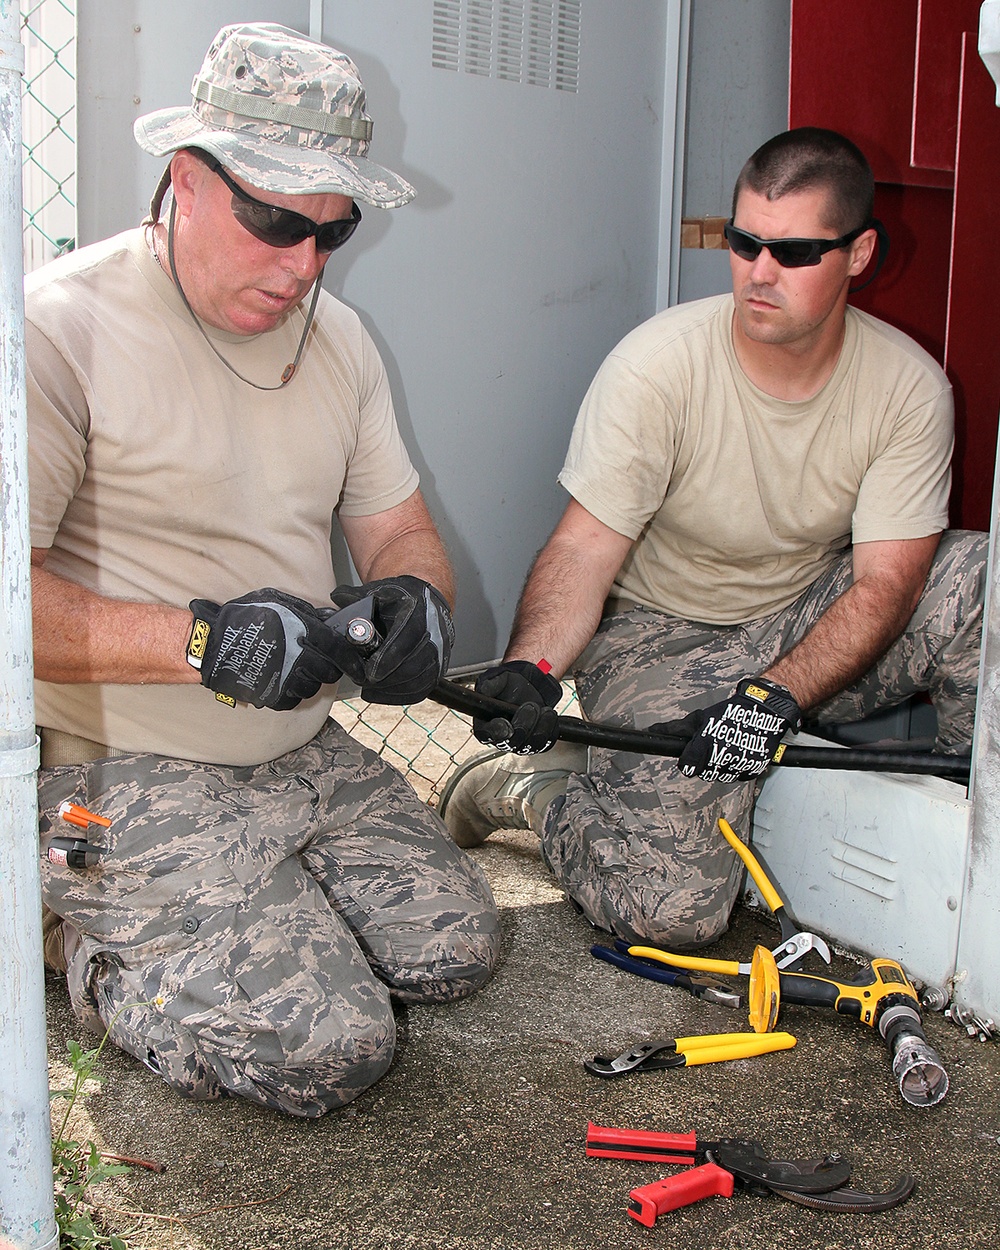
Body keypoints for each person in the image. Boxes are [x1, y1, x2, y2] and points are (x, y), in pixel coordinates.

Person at [28, 22, 499, 1118]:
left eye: (332, 233)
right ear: (187, 180)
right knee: (324, 1047)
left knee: (453, 951)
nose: (303, 265)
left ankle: (238, 903)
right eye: (276, 220)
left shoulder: (339, 339)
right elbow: (8, 599)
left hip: (294, 742)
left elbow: (398, 532)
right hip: (116, 756)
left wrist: (418, 600)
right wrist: (204, 642)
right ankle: (73, 929)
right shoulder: (58, 329)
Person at [440, 127, 985, 951]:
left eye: (795, 250)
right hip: (657, 640)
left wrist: (776, 694)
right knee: (672, 913)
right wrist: (531, 669)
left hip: (803, 623)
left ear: (859, 253)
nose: (759, 272)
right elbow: (583, 549)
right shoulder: (659, 366)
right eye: (743, 242)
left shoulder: (908, 387)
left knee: (981, 579)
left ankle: (972, 839)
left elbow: (888, 585)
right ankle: (537, 791)